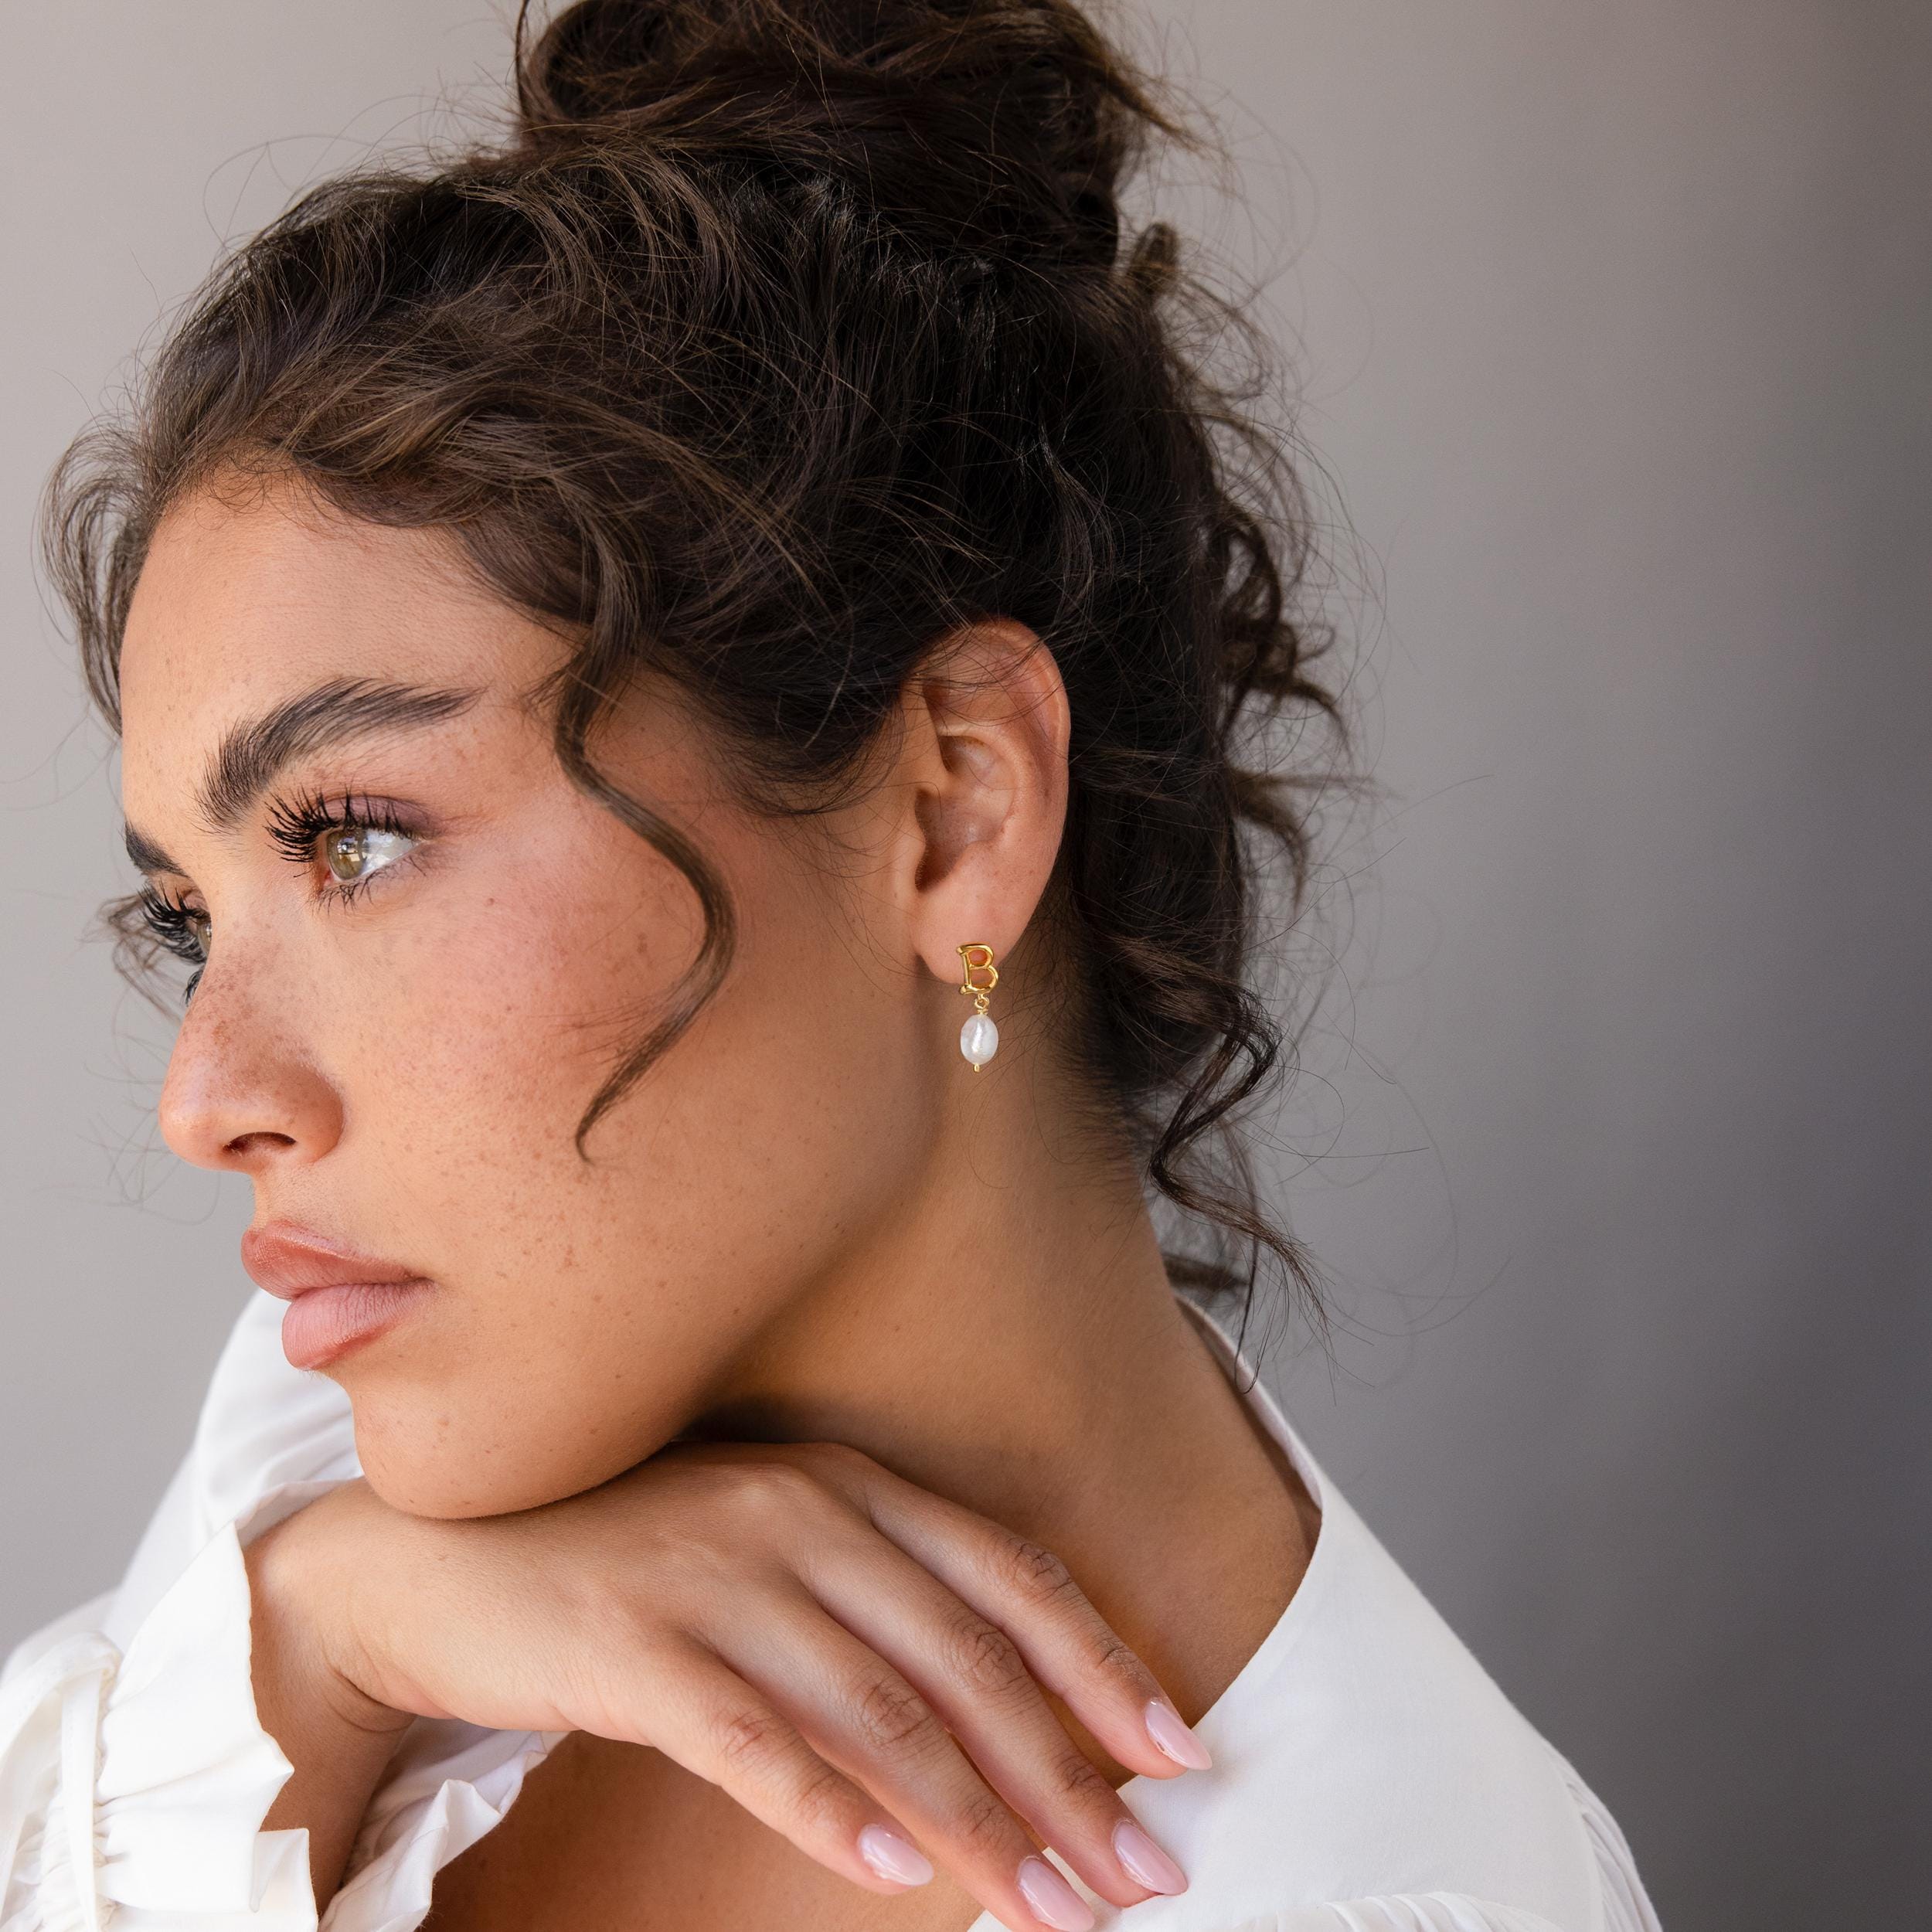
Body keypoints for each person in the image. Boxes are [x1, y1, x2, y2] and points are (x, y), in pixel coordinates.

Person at [0, 2, 1662, 1928]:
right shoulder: (364, 1440)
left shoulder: (1367, 1894)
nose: (209, 1098)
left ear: (951, 813)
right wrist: (331, 1626)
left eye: (356, 840)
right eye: (193, 914)